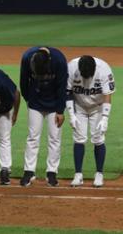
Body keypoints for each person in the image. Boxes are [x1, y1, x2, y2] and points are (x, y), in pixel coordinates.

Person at [19, 46, 68, 187]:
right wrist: (29, 100)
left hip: (54, 105)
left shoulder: (58, 60)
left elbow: (62, 86)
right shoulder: (28, 57)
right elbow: (24, 81)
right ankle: (29, 172)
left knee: (54, 138)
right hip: (35, 103)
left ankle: (52, 173)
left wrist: (60, 110)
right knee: (33, 137)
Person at [67, 55, 114, 188]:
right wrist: (71, 114)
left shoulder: (104, 69)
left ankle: (99, 174)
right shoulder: (71, 67)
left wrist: (105, 118)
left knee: (98, 138)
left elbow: (107, 95)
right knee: (79, 139)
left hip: (98, 107)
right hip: (79, 106)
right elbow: (68, 91)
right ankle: (78, 175)